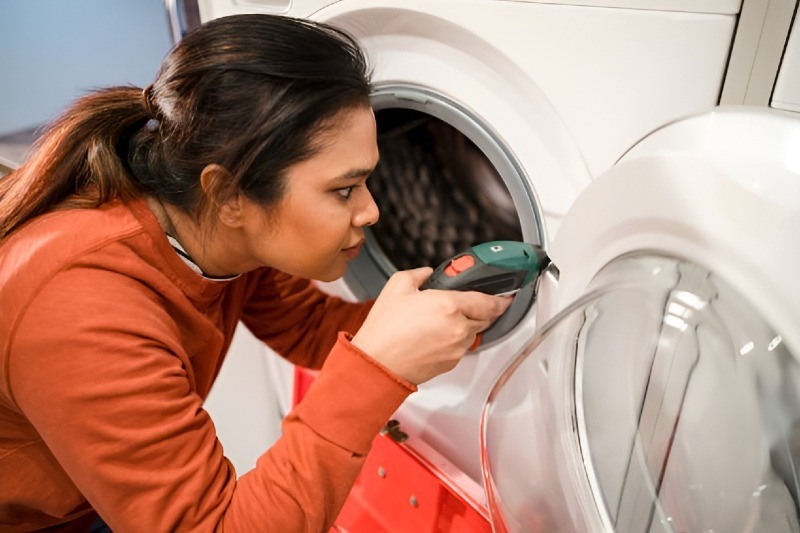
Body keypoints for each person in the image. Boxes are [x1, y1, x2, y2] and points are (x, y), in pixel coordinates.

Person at [0, 14, 510, 532]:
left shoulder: (215, 231)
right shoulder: (81, 309)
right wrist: (377, 369)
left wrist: (446, 317)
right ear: (228, 194)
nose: (371, 211)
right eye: (343, 190)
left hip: (89, 497)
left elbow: (306, 326)